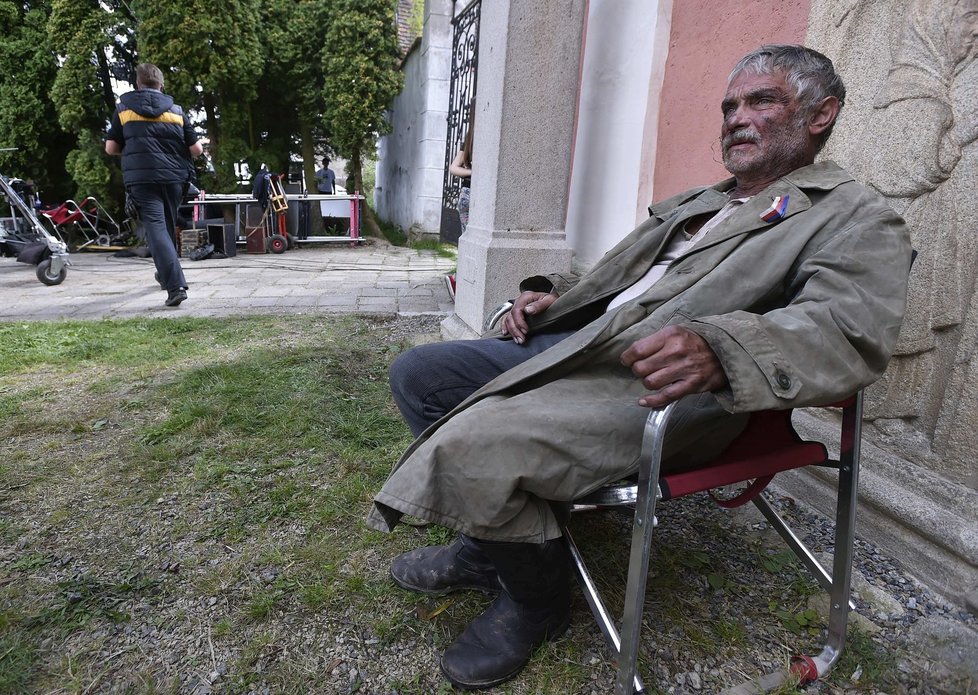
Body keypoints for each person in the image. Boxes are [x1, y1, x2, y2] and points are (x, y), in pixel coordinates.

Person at [369, 45, 913, 690]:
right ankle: (498, 542)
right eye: (729, 106)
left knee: (473, 445)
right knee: (420, 375)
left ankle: (535, 603)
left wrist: (723, 346)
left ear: (822, 114)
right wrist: (549, 294)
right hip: (579, 344)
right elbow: (620, 284)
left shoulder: (853, 216)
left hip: (663, 389)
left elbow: (848, 329)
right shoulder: (697, 202)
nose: (736, 119)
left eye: (762, 101)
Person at [105, 62, 202, 307]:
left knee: (158, 230)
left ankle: (175, 285)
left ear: (138, 84)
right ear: (161, 84)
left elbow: (111, 148)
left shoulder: (124, 110)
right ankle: (165, 274)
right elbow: (197, 149)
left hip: (142, 179)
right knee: (165, 229)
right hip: (173, 179)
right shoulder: (177, 111)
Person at [445, 111, 476, 300]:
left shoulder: (471, 136)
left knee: (466, 239)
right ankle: (461, 282)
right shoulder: (484, 135)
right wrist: (476, 172)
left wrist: (469, 171)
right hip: (477, 195)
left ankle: (460, 281)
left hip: (465, 195)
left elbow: (454, 167)